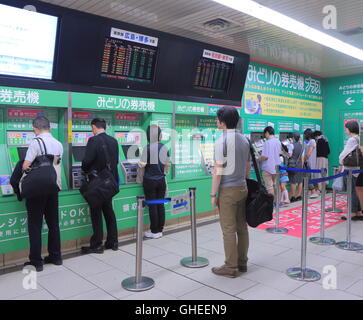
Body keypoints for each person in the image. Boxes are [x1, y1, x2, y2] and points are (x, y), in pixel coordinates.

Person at [210, 106, 251, 278]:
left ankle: (230, 266)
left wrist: (213, 194)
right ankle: (242, 263)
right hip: (243, 187)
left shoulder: (222, 141)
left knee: (228, 229)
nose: (216, 121)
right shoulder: (244, 139)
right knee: (242, 227)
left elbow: (218, 170)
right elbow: (248, 166)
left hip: (227, 190)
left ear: (223, 121)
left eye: (217, 118)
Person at [22, 117, 63, 272]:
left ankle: (36, 261)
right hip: (53, 187)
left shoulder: (35, 142)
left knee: (35, 225)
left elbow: (26, 165)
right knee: (53, 223)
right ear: (49, 128)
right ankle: (56, 256)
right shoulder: (58, 144)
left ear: (35, 129)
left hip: (37, 189)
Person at [81, 118, 119, 254]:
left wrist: (84, 169)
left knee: (96, 212)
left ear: (94, 127)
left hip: (96, 184)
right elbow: (116, 161)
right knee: (108, 210)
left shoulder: (93, 140)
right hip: (109, 182)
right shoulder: (114, 141)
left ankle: (97, 244)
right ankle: (113, 241)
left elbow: (86, 161)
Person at [139, 124, 170, 239]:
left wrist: (139, 162)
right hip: (161, 179)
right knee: (160, 205)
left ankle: (154, 231)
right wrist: (162, 170)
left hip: (150, 180)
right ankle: (160, 230)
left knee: (153, 206)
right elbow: (168, 164)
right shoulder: (164, 147)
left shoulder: (147, 148)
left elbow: (142, 164)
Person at [339, 121, 362, 220]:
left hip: (351, 169)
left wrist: (340, 161)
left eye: (346, 128)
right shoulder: (360, 138)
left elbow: (343, 154)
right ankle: (358, 211)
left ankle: (352, 212)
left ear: (350, 129)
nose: (345, 130)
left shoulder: (352, 140)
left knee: (352, 190)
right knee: (358, 190)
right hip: (359, 168)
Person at [259, 126, 282, 198]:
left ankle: (271, 203)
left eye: (265, 134)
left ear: (267, 133)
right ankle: (278, 202)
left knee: (269, 186)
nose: (265, 136)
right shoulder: (278, 141)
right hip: (276, 168)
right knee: (276, 184)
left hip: (268, 168)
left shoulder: (267, 142)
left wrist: (258, 158)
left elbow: (265, 156)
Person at [303, 129, 319, 198]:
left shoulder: (312, 141)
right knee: (308, 177)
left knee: (309, 178)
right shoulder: (309, 141)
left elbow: (309, 153)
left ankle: (314, 191)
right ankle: (311, 191)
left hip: (310, 162)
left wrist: (304, 159)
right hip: (308, 162)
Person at [288, 132, 304, 202]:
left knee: (293, 181)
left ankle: (293, 196)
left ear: (293, 138)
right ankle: (299, 195)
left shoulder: (291, 145)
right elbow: (302, 158)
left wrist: (284, 152)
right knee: (300, 181)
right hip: (299, 165)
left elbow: (290, 155)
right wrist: (301, 166)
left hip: (292, 165)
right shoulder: (302, 146)